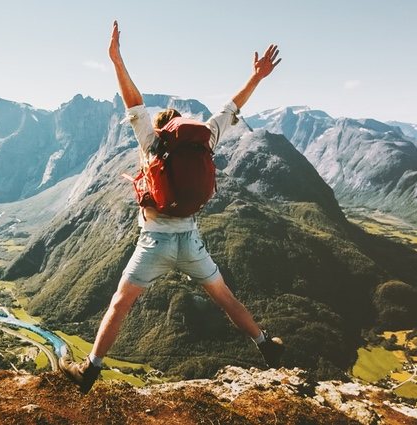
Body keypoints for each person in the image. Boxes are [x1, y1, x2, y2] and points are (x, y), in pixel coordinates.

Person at [59, 20, 284, 394]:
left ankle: (90, 369)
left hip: (154, 244)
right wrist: (257, 77)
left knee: (120, 303)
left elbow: (133, 100)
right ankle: (266, 346)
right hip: (190, 242)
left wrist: (116, 59)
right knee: (225, 297)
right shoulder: (204, 138)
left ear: (163, 127)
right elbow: (233, 107)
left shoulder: (152, 142)